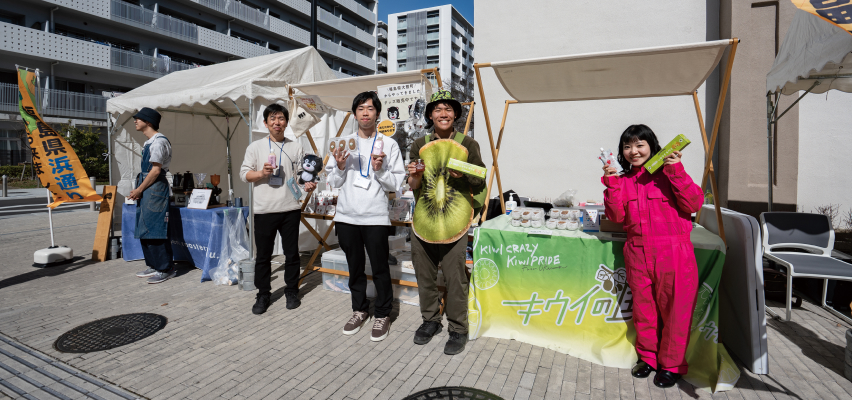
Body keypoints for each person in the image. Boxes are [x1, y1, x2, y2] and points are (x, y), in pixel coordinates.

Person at [601, 124, 703, 388]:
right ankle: (648, 358)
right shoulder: (623, 180)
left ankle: (672, 365)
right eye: (627, 146)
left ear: (652, 146)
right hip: (637, 252)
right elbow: (616, 216)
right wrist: (611, 184)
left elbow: (693, 204)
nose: (633, 151)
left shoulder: (669, 173)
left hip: (674, 252)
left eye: (639, 145)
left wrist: (676, 171)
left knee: (676, 311)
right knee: (644, 310)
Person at [407, 90, 486, 355]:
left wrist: (462, 173)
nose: (443, 114)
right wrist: (414, 175)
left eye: (448, 109)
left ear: (455, 115)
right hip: (425, 218)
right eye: (438, 109)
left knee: (455, 277)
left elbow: (480, 176)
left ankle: (458, 328)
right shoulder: (419, 144)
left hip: (455, 221)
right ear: (430, 115)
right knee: (424, 274)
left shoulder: (468, 144)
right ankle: (430, 320)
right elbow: (414, 184)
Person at [326, 91, 405, 342]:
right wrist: (340, 167)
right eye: (360, 109)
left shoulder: (389, 145)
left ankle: (383, 313)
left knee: (380, 267)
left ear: (377, 113)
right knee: (355, 267)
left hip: (375, 216)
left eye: (370, 108)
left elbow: (396, 184)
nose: (365, 113)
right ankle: (359, 310)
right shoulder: (342, 143)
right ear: (354, 114)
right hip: (347, 216)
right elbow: (333, 181)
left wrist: (380, 170)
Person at [240, 103, 316, 315]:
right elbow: (244, 174)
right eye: (272, 119)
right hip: (264, 210)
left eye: (281, 118)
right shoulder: (255, 147)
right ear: (265, 123)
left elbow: (301, 175)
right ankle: (263, 293)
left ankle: (292, 291)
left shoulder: (296, 147)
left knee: (292, 254)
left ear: (286, 122)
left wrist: (307, 184)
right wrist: (262, 174)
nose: (277, 122)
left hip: (290, 208)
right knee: (263, 256)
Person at [128, 107, 177, 284]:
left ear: (148, 122)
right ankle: (154, 265)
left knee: (156, 228)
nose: (135, 121)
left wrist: (139, 189)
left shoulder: (158, 142)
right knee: (145, 227)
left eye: (138, 118)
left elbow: (156, 170)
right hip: (148, 186)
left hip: (155, 188)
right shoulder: (150, 142)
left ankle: (166, 268)